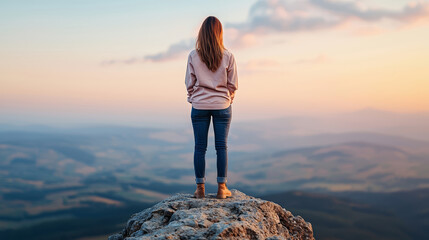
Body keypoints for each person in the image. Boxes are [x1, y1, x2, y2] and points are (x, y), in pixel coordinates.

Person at [185, 16, 238, 199]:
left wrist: (194, 98)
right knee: (221, 147)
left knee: (200, 147)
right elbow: (233, 84)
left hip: (199, 105)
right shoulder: (228, 56)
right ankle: (222, 188)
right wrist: (227, 99)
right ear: (219, 33)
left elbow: (189, 83)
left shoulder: (193, 55)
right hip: (222, 105)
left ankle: (200, 189)